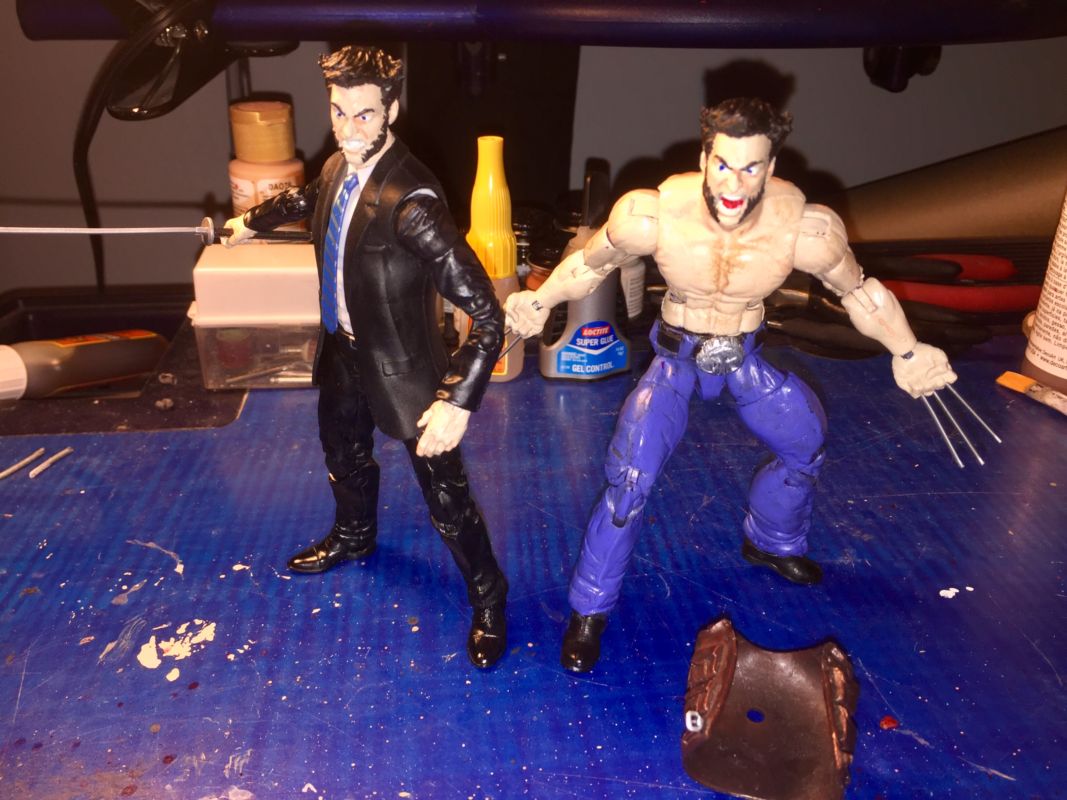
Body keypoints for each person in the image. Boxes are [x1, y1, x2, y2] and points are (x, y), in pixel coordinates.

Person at [505, 97, 957, 673]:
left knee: (804, 442)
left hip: (744, 357)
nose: (734, 183)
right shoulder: (653, 214)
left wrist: (910, 350)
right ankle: (589, 609)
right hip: (676, 361)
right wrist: (540, 299)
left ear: (771, 166)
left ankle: (771, 540)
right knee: (631, 477)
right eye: (722, 164)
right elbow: (590, 266)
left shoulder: (805, 228)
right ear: (704, 157)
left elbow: (859, 292)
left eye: (750, 168)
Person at [224, 45, 509, 669]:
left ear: (392, 111)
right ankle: (355, 535)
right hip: (343, 349)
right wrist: (249, 223)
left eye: (364, 115)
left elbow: (488, 312)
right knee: (342, 452)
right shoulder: (336, 167)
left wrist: (458, 400)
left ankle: (489, 595)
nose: (349, 129)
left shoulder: (413, 203)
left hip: (407, 371)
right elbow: (306, 201)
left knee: (446, 498)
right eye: (339, 112)